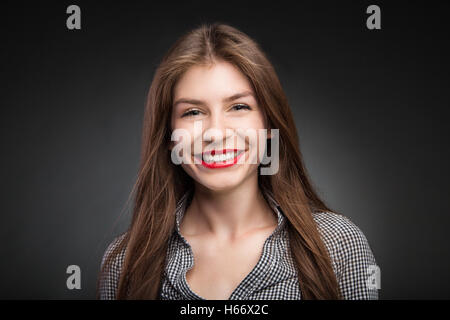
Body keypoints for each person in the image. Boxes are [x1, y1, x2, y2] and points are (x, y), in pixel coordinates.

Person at [97, 22, 380, 300]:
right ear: (170, 135)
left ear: (269, 126)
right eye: (193, 112)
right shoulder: (124, 263)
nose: (216, 134)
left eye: (239, 107)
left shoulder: (337, 245)